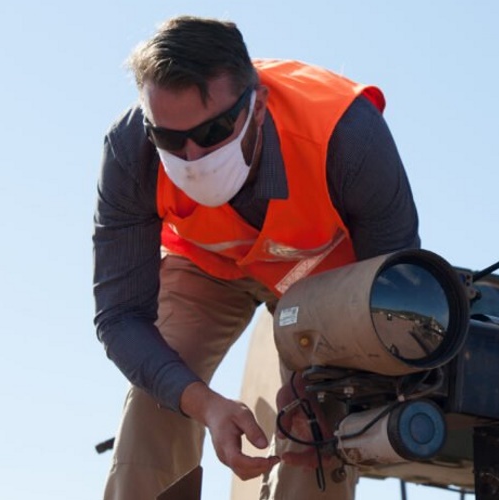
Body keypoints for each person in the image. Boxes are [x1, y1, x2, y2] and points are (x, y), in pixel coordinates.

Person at [92, 16, 420, 499]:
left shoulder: (349, 138)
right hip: (204, 266)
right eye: (170, 140)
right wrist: (202, 403)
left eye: (214, 132)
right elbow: (120, 318)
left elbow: (395, 303)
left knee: (320, 433)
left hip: (321, 280)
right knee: (156, 397)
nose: (192, 157)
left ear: (258, 107)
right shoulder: (129, 149)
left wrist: (327, 381)